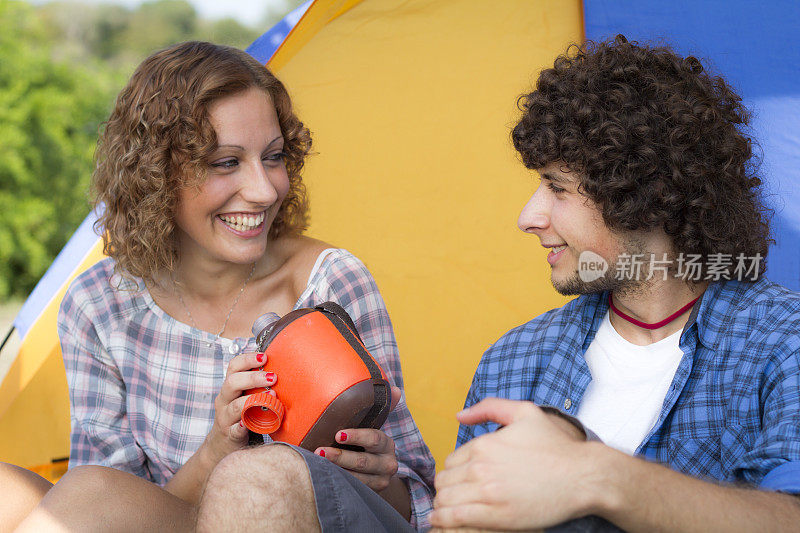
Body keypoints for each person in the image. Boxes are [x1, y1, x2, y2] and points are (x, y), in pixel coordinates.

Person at [9, 41, 434, 531]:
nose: (264, 189)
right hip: (163, 518)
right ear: (155, 176)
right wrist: (218, 446)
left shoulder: (329, 284)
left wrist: (383, 479)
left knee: (254, 482)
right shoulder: (98, 304)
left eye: (273, 157)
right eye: (225, 162)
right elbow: (108, 505)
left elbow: (418, 505)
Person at [430, 35, 800, 531]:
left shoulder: (782, 341)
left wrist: (596, 473)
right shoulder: (513, 361)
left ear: (641, 192)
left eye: (557, 188)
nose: (528, 217)